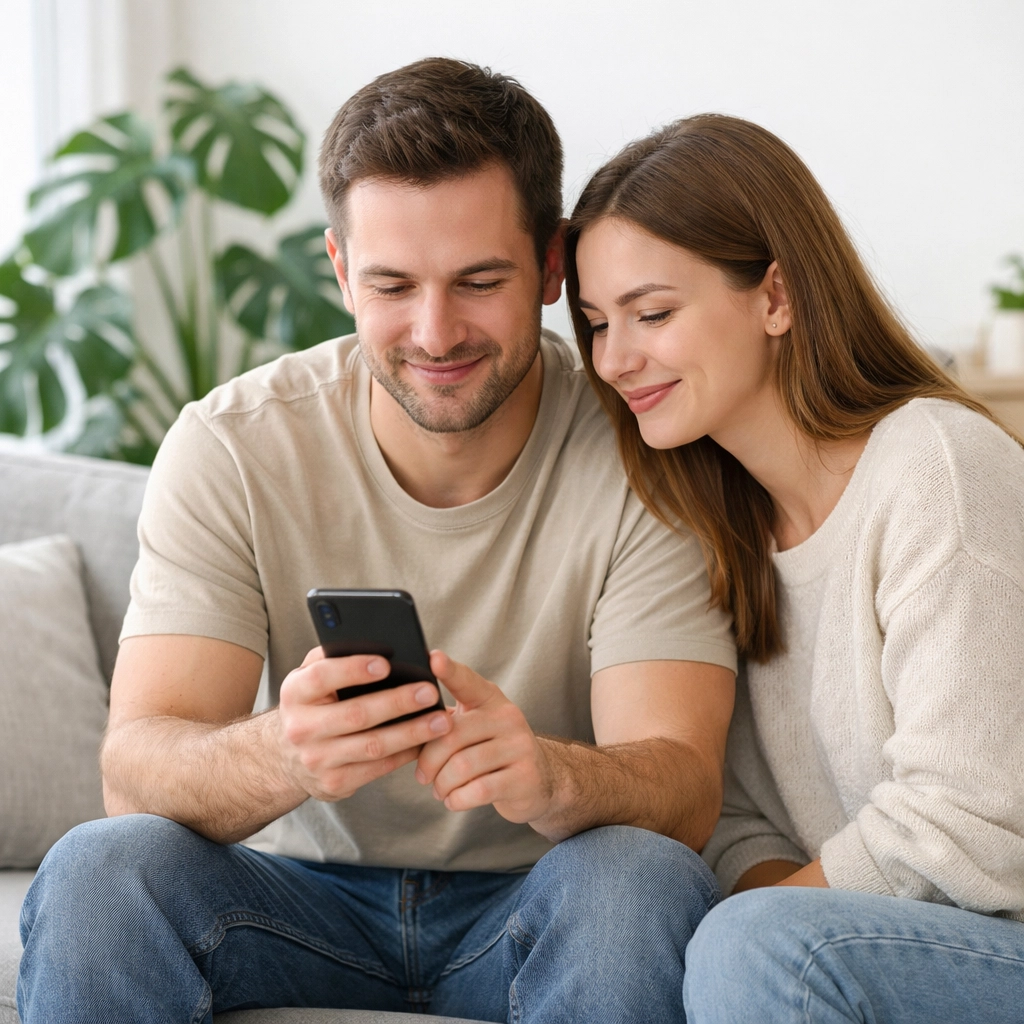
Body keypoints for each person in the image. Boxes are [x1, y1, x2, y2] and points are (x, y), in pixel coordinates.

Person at [17, 61, 737, 1024]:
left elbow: (684, 787)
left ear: (554, 264)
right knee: (101, 870)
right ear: (340, 267)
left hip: (539, 893)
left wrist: (551, 774)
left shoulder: (643, 450)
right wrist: (287, 753)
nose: (435, 333)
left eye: (480, 281)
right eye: (393, 285)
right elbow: (135, 768)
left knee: (637, 881)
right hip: (287, 900)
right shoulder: (234, 445)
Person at [566, 113, 1024, 1023]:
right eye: (594, 324)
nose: (614, 360)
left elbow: (970, 827)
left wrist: (763, 927)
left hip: (993, 933)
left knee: (748, 941)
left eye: (652, 313)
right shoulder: (717, 525)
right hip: (864, 948)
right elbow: (738, 820)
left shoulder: (937, 469)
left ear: (776, 296)